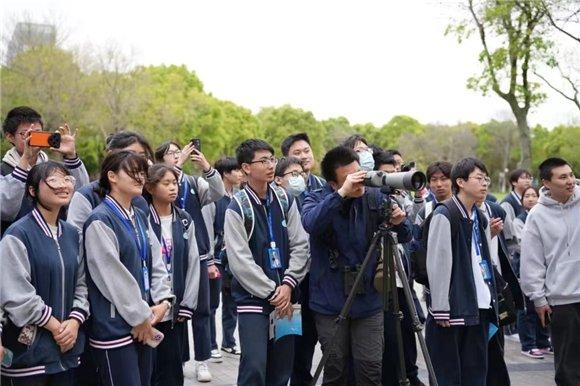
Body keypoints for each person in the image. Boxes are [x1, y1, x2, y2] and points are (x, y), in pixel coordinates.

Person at [302, 146, 412, 385]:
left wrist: (400, 222)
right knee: (336, 370)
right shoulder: (317, 198)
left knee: (370, 370)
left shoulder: (373, 196)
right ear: (333, 183)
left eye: (359, 174)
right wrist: (341, 194)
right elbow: (311, 223)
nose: (358, 182)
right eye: (348, 179)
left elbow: (405, 236)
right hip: (330, 302)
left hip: (369, 300)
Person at [223, 139, 310, 386]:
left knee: (282, 369)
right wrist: (273, 291)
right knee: (254, 366)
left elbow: (300, 244)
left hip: (287, 296)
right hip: (253, 300)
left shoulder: (285, 199)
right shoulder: (237, 207)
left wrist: (288, 285)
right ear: (246, 168)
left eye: (272, 159)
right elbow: (240, 261)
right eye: (263, 160)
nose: (271, 165)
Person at [83, 151, 174, 386]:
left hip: (144, 323)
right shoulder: (100, 219)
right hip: (115, 327)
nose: (140, 177)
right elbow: (111, 276)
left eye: (142, 172)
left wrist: (164, 300)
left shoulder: (140, 215)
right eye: (132, 172)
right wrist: (140, 316)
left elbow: (156, 262)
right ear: (112, 176)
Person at [0, 161, 89, 384]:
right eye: (53, 180)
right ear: (32, 190)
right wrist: (58, 328)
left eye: (67, 179)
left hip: (66, 352)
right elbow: (16, 295)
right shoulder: (17, 235)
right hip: (28, 354)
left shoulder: (71, 234)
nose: (63, 185)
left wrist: (75, 322)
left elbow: (82, 283)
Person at [155, 140, 225, 382]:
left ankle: (203, 360)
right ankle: (181, 357)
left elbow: (219, 192)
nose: (177, 156)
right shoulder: (155, 187)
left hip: (199, 256)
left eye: (179, 152)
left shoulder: (193, 183)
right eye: (171, 153)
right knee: (174, 311)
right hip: (167, 258)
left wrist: (207, 168)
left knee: (202, 310)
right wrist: (178, 166)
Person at [425, 157, 498, 386]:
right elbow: (437, 262)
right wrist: (440, 307)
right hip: (452, 309)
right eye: (478, 178)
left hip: (479, 304)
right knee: (447, 374)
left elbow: (484, 259)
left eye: (486, 179)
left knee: (476, 373)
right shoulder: (444, 214)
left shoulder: (481, 217)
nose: (484, 183)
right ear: (461, 182)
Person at [521, 157, 580, 386]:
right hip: (561, 301)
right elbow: (531, 262)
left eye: (571, 175)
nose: (570, 181)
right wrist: (538, 298)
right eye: (562, 177)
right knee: (568, 369)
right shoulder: (537, 216)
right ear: (546, 183)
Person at [145, 164, 201, 386]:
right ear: (150, 187)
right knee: (149, 370)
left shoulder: (184, 219)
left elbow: (193, 262)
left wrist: (188, 303)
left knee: (172, 371)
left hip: (175, 310)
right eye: (165, 183)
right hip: (149, 309)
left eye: (174, 183)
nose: (172, 188)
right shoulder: (141, 217)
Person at [280, 133, 326, 386]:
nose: (303, 156)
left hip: (322, 273)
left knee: (322, 333)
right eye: (297, 153)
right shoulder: (282, 191)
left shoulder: (324, 185)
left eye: (306, 150)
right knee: (297, 336)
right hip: (295, 276)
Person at [2, 106, 90, 234]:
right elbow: (5, 210)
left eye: (37, 133)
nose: (30, 139)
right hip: (17, 241)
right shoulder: (3, 171)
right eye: (25, 134)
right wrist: (26, 159)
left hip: (57, 238)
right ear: (10, 137)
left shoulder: (56, 169)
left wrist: (71, 156)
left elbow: (80, 196)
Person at [67, 130, 154, 231]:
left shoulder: (140, 202)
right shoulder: (87, 196)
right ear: (111, 155)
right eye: (130, 154)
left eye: (142, 156)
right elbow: (76, 238)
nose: (138, 161)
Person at [202, 157, 244, 359]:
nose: (240, 174)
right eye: (236, 170)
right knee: (212, 305)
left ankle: (229, 341)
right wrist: (210, 259)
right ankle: (211, 344)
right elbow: (208, 228)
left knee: (231, 302)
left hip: (232, 259)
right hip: (216, 259)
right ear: (225, 174)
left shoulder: (236, 197)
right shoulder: (214, 199)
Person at [512, 186, 552, 359]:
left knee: (543, 306)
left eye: (533, 195)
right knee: (526, 309)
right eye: (526, 196)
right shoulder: (519, 220)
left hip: (545, 270)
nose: (530, 198)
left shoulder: (544, 217)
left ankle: (543, 342)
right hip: (523, 270)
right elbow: (524, 246)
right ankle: (528, 345)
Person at [500, 169, 533, 254]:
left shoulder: (529, 201)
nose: (527, 181)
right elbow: (508, 232)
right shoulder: (507, 203)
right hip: (515, 249)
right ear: (514, 182)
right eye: (523, 178)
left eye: (529, 178)